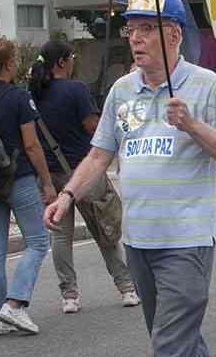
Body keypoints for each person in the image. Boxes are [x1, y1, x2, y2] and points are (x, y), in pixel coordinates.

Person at [44, 0, 216, 357]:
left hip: (187, 239)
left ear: (173, 34)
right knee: (171, 335)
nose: (135, 38)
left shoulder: (206, 84)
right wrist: (67, 195)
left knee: (169, 345)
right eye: (130, 29)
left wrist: (191, 124)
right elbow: (100, 155)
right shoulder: (122, 91)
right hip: (139, 240)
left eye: (146, 28)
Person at [28, 39, 140, 313]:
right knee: (105, 229)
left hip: (51, 175)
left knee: (60, 237)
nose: (73, 63)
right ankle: (126, 288)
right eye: (72, 58)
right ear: (62, 62)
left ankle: (69, 296)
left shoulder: (32, 94)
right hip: (84, 173)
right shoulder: (76, 89)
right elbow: (93, 126)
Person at [0, 38, 55, 336]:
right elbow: (31, 145)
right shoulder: (18, 97)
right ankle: (15, 305)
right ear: (9, 64)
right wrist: (47, 182)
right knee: (38, 242)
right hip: (17, 177)